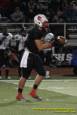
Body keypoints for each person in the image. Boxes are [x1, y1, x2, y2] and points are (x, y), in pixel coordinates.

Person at [16, 14, 66, 101]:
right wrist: (54, 43)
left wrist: (57, 38)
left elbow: (47, 39)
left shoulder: (42, 30)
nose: (46, 24)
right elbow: (40, 47)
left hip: (36, 54)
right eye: (44, 22)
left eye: (46, 22)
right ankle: (19, 95)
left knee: (42, 73)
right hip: (29, 54)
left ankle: (33, 92)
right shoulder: (35, 31)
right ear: (38, 22)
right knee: (25, 76)